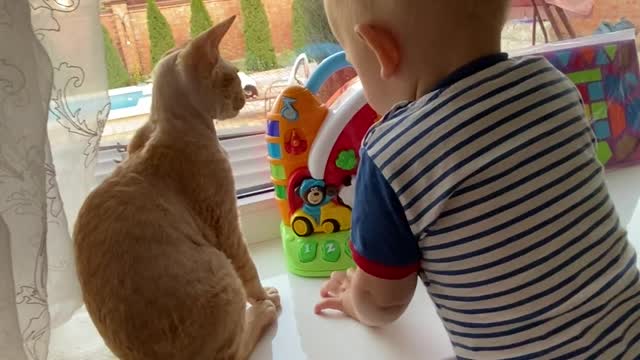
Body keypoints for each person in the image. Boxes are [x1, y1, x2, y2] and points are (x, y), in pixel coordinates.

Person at [315, 1, 640, 358]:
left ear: (381, 51)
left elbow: (382, 300)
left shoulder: (391, 154)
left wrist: (353, 298)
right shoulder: (554, 87)